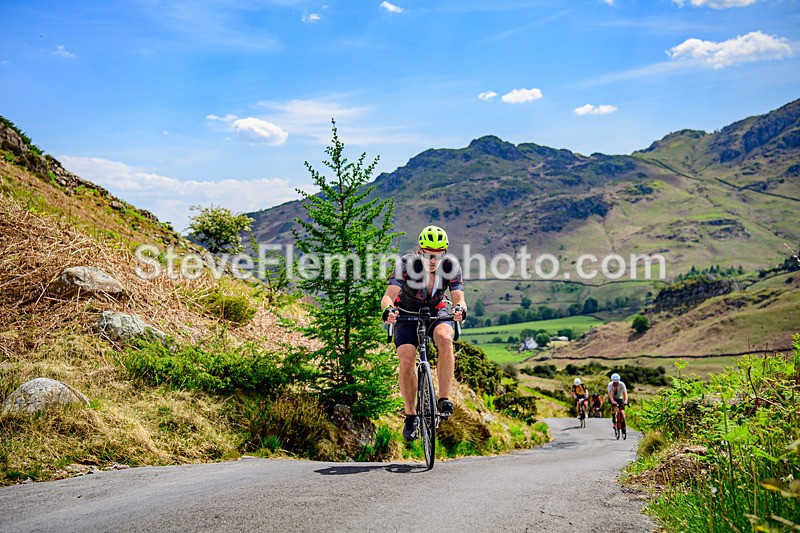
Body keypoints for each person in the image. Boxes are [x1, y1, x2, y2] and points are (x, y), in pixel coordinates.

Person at [381, 225, 466, 441]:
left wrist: (459, 309)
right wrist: (388, 311)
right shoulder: (405, 264)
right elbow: (388, 297)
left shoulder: (451, 266)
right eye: (429, 254)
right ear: (420, 250)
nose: (433, 261)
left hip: (436, 310)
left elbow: (458, 298)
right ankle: (411, 415)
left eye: (438, 255)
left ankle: (444, 398)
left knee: (446, 338)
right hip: (406, 313)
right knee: (407, 358)